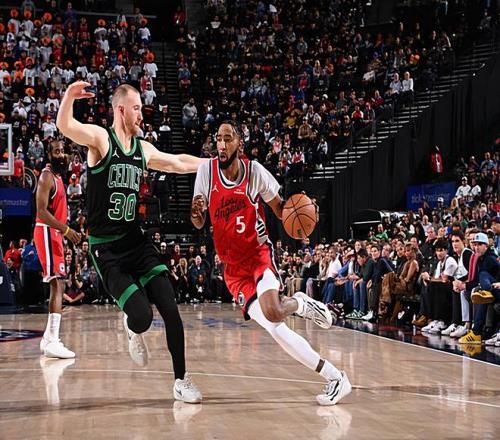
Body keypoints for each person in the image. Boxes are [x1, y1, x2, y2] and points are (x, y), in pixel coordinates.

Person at [56, 81, 204, 403]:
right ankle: (132, 325)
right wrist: (68, 96)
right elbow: (65, 125)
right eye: (136, 108)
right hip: (106, 248)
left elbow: (177, 162)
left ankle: (181, 380)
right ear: (121, 110)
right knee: (142, 317)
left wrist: (213, 166)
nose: (141, 114)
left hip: (135, 242)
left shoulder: (142, 149)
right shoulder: (101, 140)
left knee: (170, 307)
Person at [191, 121, 351, 406]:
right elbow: (198, 221)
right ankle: (335, 377)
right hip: (233, 271)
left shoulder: (254, 172)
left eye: (228, 138)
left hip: (258, 256)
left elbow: (280, 209)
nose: (222, 145)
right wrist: (196, 212)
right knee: (275, 328)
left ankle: (299, 303)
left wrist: (302, 210)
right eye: (218, 139)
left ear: (239, 143)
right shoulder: (206, 171)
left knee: (274, 312)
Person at [34, 141, 81, 358]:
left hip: (54, 233)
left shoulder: (60, 176)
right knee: (57, 283)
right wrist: (67, 230)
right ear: (49, 154)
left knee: (59, 283)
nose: (61, 155)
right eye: (56, 151)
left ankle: (47, 338)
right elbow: (42, 212)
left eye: (62, 151)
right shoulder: (46, 176)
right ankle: (53, 340)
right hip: (46, 231)